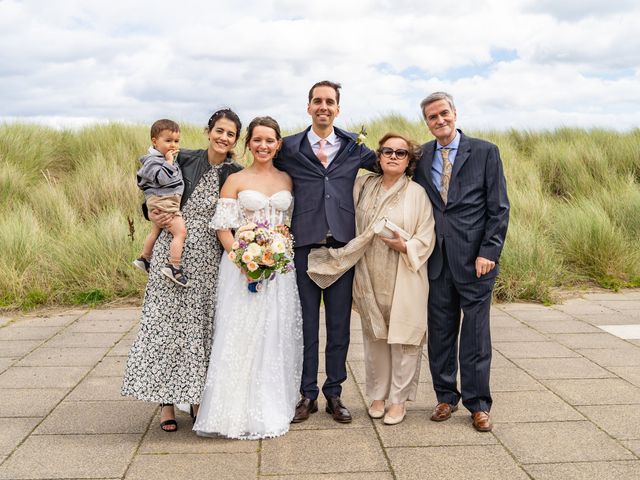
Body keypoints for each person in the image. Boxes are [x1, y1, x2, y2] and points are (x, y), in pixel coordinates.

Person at [121, 109, 243, 432]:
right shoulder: (182, 157)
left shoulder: (235, 173)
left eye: (230, 134)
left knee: (200, 329)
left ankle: (197, 397)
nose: (223, 137)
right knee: (166, 325)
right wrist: (151, 214)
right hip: (172, 251)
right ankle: (166, 404)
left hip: (209, 258)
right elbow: (151, 187)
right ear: (208, 131)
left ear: (235, 140)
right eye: (219, 130)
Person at [307, 133, 435, 426]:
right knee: (374, 335)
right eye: (387, 151)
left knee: (404, 338)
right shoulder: (364, 185)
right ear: (378, 157)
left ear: (409, 160)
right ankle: (378, 395)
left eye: (400, 153)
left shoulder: (417, 193)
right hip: (368, 270)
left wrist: (408, 246)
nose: (393, 156)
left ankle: (398, 400)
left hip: (404, 271)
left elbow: (426, 235)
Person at [274, 80, 377, 423]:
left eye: (329, 102)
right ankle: (307, 395)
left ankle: (335, 393)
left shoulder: (353, 146)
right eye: (317, 101)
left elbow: (390, 165)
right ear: (308, 107)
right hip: (303, 246)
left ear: (337, 108)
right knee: (305, 326)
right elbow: (261, 169)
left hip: (342, 249)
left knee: (338, 327)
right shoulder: (288, 147)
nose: (323, 106)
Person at [193, 116, 303, 439]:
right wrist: (242, 258)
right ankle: (232, 411)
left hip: (279, 269)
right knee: (240, 335)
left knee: (273, 333)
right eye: (257, 140)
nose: (263, 146)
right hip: (242, 268)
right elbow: (222, 227)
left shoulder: (287, 179)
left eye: (270, 140)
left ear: (278, 144)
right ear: (248, 143)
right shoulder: (236, 179)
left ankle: (270, 404)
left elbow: (287, 223)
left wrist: (277, 248)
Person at [412, 92, 509, 432]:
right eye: (432, 117)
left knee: (476, 333)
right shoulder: (421, 156)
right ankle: (444, 397)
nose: (439, 121)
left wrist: (489, 252)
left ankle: (478, 404)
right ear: (426, 122)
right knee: (440, 331)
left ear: (455, 113)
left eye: (444, 113)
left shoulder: (485, 152)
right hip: (436, 260)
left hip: (475, 260)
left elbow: (498, 208)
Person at [133, 119, 189, 287]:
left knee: (155, 231)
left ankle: (144, 258)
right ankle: (174, 266)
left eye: (176, 141)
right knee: (180, 233)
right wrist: (170, 162)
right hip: (165, 203)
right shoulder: (153, 161)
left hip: (162, 202)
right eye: (168, 140)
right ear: (154, 141)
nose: (173, 145)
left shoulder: (162, 158)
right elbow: (162, 178)